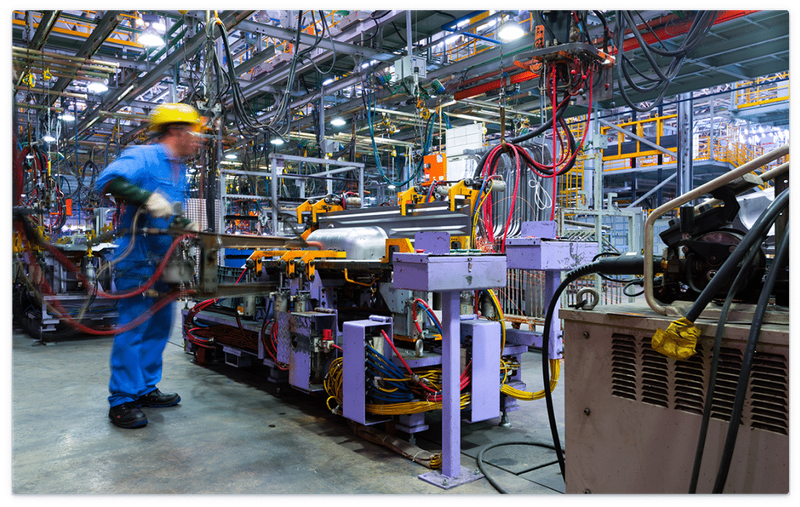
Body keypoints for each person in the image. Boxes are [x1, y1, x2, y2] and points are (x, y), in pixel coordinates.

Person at [95, 103, 203, 428]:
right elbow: (107, 181)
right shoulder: (144, 155)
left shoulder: (179, 169)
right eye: (194, 133)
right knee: (134, 326)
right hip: (137, 259)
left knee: (159, 326)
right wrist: (146, 198)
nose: (197, 140)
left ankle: (144, 388)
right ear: (176, 131)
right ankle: (122, 400)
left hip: (165, 260)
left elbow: (169, 210)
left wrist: (184, 221)